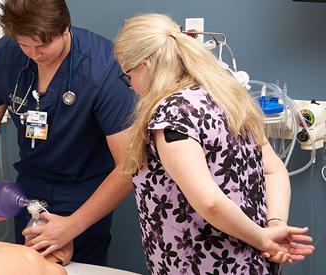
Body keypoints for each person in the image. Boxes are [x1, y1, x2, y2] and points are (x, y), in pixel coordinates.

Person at [113, 13, 314, 274]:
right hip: (255, 263)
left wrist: (264, 238)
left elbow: (210, 202)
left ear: (146, 65)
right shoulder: (228, 96)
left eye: (127, 74)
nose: (130, 85)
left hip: (203, 265)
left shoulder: (172, 116)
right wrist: (273, 226)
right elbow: (274, 170)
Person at [0, 0, 136, 266]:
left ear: (65, 28)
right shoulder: (6, 54)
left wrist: (72, 226)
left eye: (43, 45)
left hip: (86, 193)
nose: (34, 54)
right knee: (29, 267)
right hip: (30, 188)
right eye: (24, 45)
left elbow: (128, 166)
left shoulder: (103, 67)